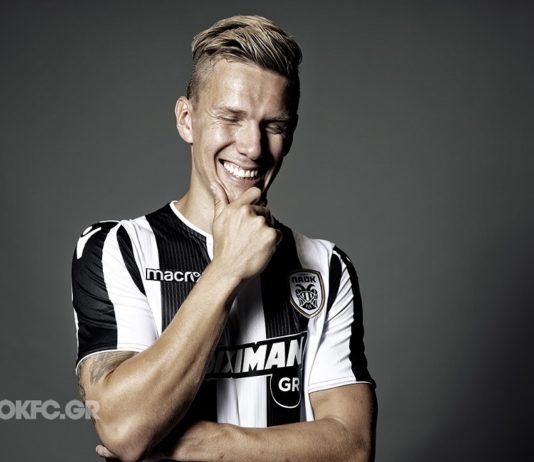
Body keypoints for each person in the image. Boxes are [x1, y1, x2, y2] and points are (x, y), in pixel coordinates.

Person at [72, 15, 376, 462]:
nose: (252, 147)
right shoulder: (118, 249)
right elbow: (125, 427)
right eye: (231, 118)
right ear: (187, 119)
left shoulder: (326, 267)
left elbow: (352, 447)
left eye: (274, 125)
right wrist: (228, 268)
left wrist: (186, 444)